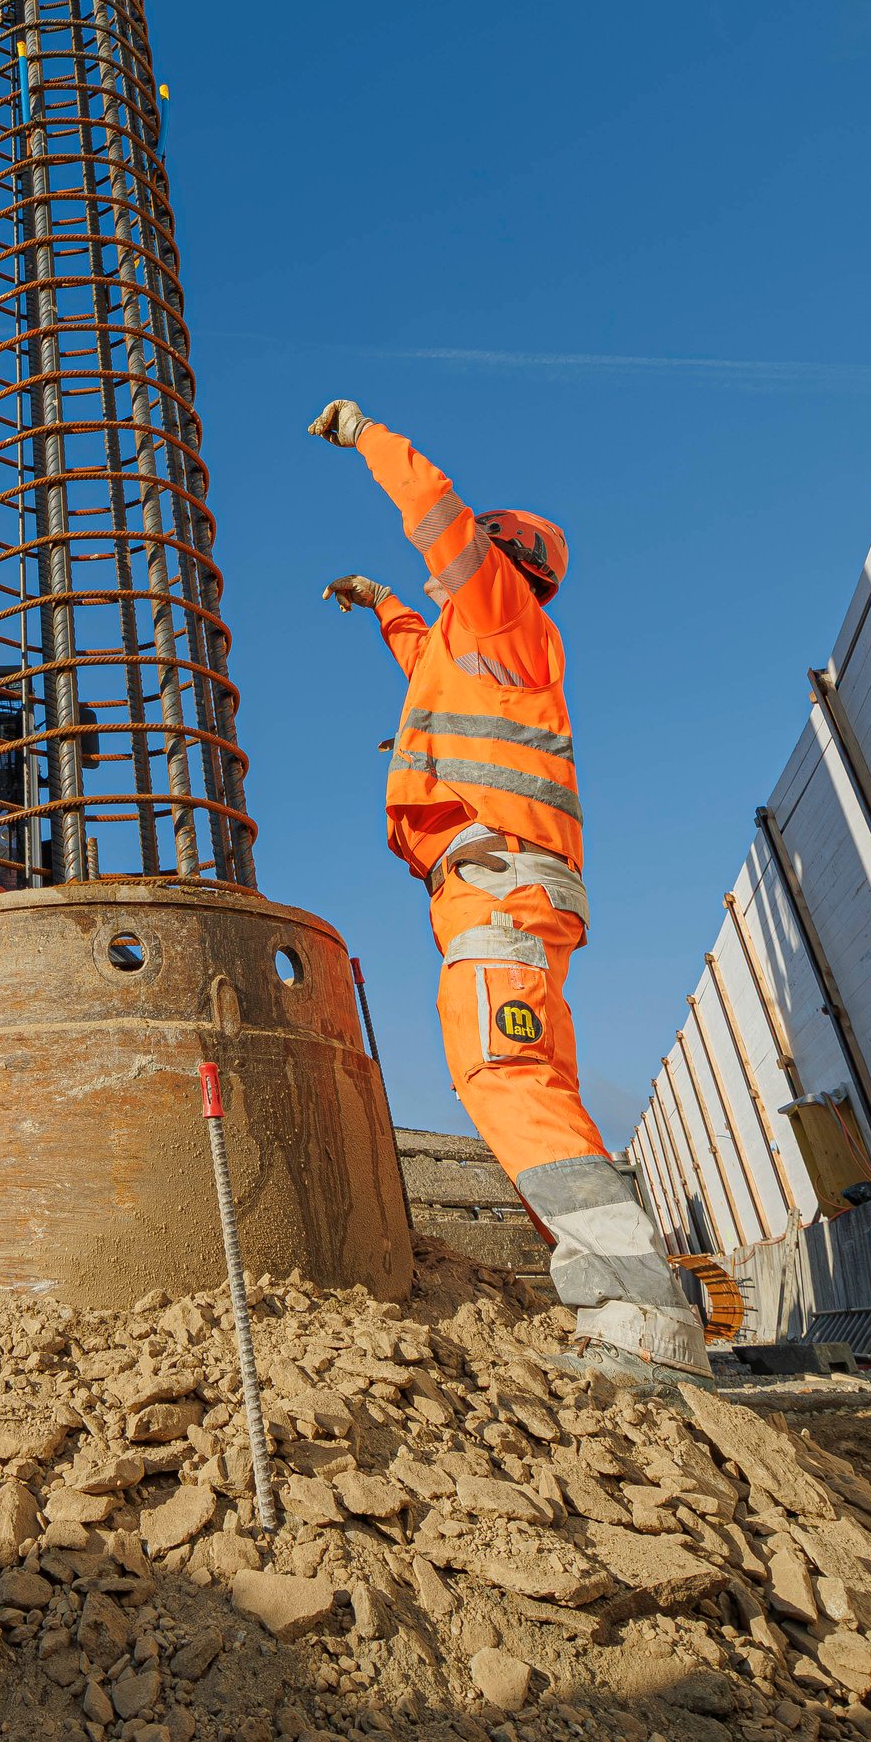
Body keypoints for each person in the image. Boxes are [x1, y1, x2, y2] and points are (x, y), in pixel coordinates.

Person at [309, 397, 712, 1379]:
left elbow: (433, 504)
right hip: (509, 882)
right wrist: (380, 605)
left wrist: (366, 435)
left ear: (500, 555)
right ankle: (618, 1293)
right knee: (537, 1081)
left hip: (498, 880)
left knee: (506, 1074)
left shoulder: (497, 604)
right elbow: (425, 664)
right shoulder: (484, 644)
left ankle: (634, 1305)